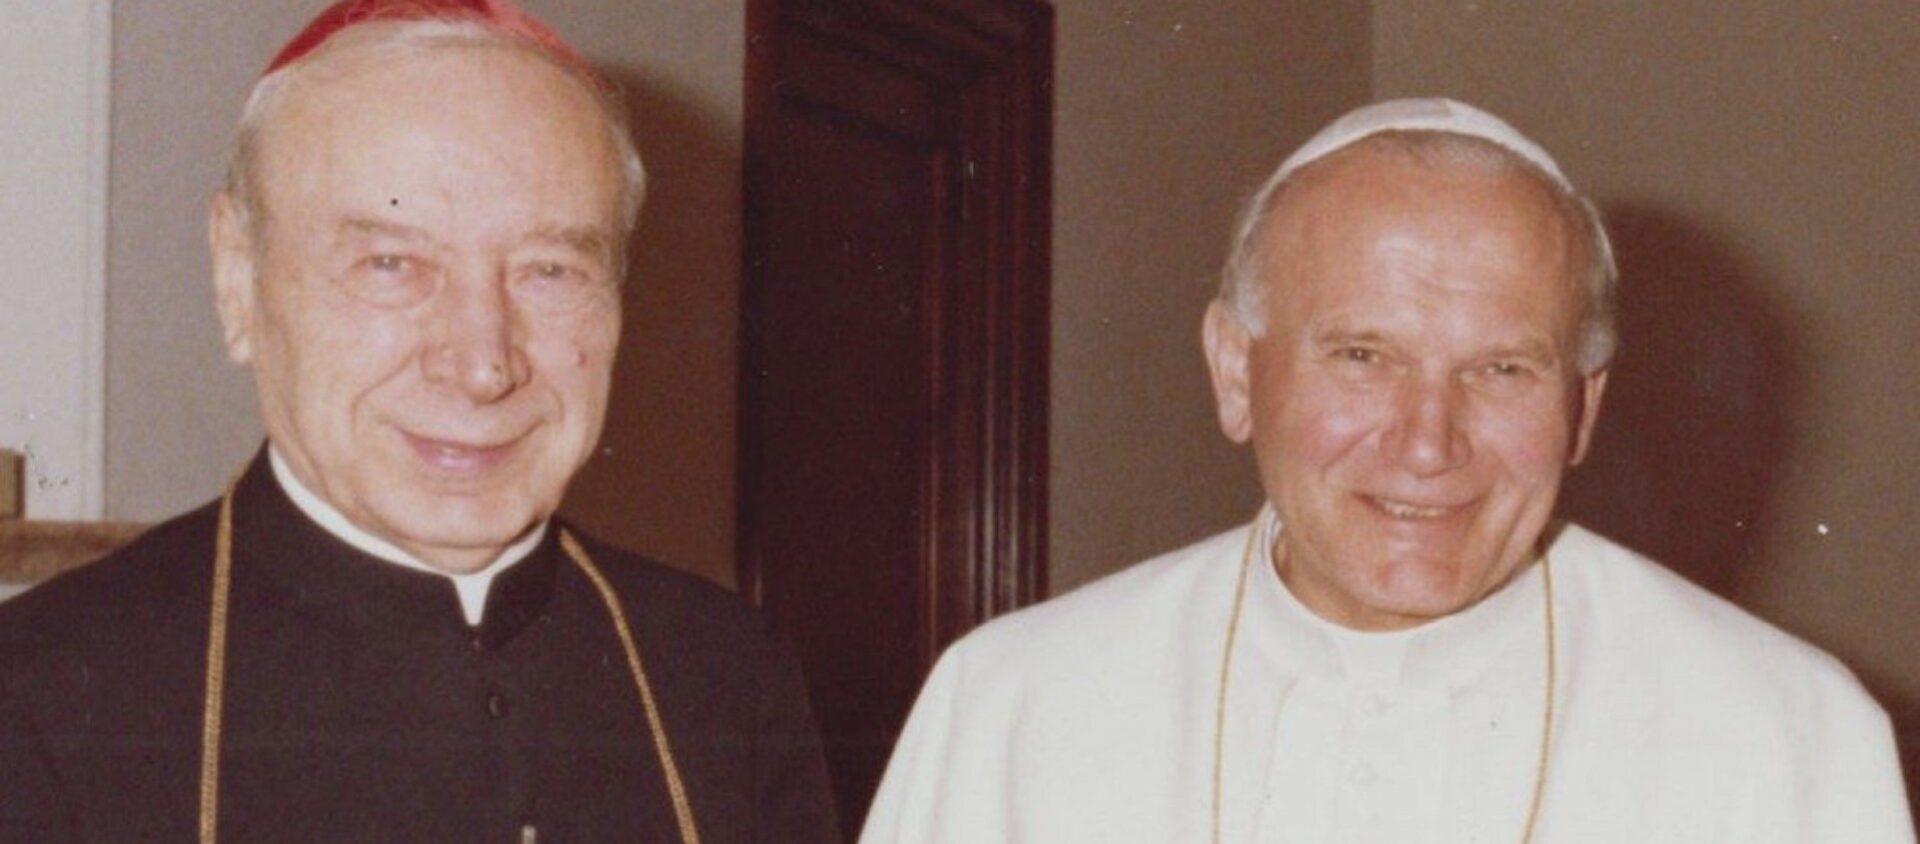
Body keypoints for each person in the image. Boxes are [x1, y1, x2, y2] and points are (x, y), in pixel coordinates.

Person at [860, 99, 1913, 842]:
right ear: (1235, 370)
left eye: (1502, 368)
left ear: (1583, 408)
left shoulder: (1784, 732)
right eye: (1363, 356)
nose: (1426, 442)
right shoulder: (1010, 704)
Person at [0, 1, 837, 841]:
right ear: (236, 276)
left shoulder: (729, 678)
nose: (483, 366)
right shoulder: (36, 701)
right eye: (393, 264)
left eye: (550, 270)